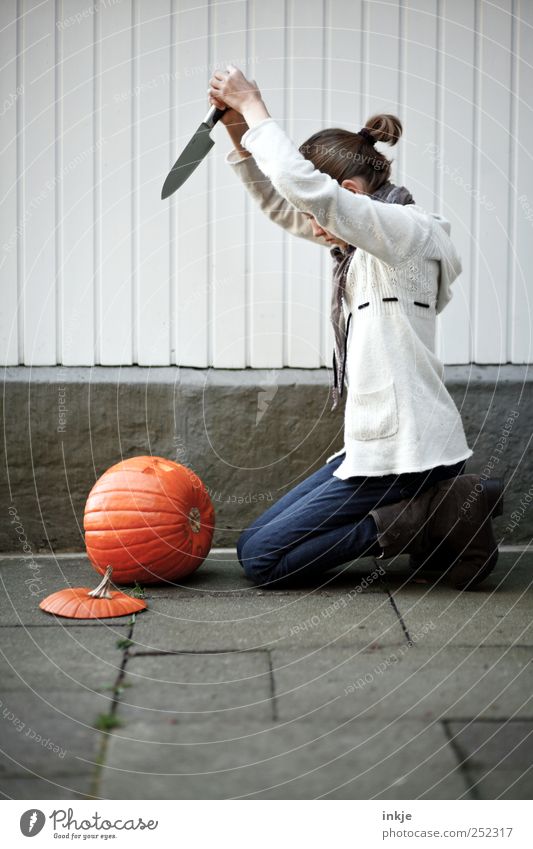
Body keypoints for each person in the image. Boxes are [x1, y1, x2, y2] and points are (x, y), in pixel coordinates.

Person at [207, 64, 504, 592]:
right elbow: (286, 204)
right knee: (252, 542)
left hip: (405, 454)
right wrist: (236, 131)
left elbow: (308, 195)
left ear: (346, 192)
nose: (315, 229)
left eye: (323, 212)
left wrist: (253, 104)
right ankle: (435, 506)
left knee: (264, 562)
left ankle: (427, 516)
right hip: (377, 448)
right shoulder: (366, 242)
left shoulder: (403, 233)